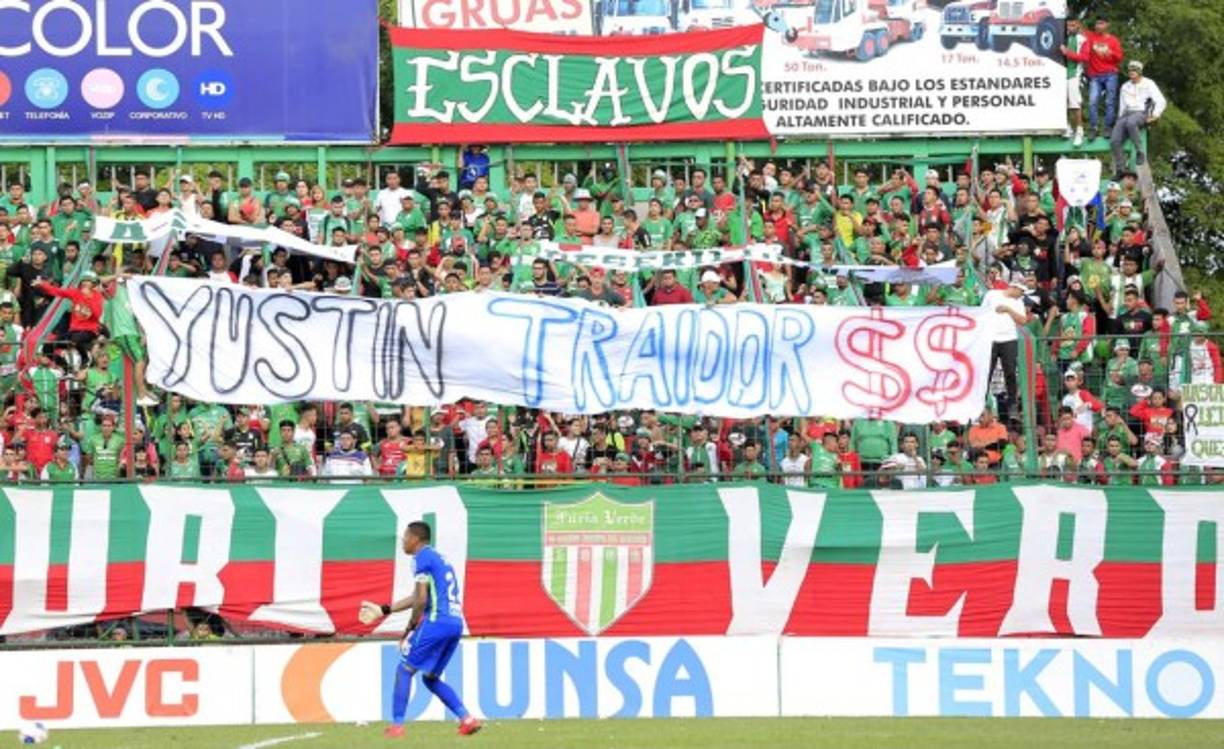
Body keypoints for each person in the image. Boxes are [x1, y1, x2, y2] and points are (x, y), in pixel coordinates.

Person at [369, 522, 482, 738]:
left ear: (416, 539)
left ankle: (397, 726)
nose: (403, 541)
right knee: (430, 678)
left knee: (404, 670)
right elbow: (420, 596)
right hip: (455, 624)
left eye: (405, 536)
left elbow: (421, 600)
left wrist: (411, 627)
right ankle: (467, 719)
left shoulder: (420, 558)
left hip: (436, 622)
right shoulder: (438, 558)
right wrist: (385, 609)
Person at [1111, 61, 1166, 178]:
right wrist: (1119, 120)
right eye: (1130, 70)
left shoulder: (1149, 83)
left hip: (1141, 112)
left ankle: (1139, 151)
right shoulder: (1125, 86)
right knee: (1115, 140)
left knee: (1131, 123)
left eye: (1134, 71)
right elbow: (1122, 105)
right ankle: (1120, 170)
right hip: (1126, 114)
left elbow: (1161, 100)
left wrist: (1156, 115)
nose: (1131, 73)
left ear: (1139, 72)